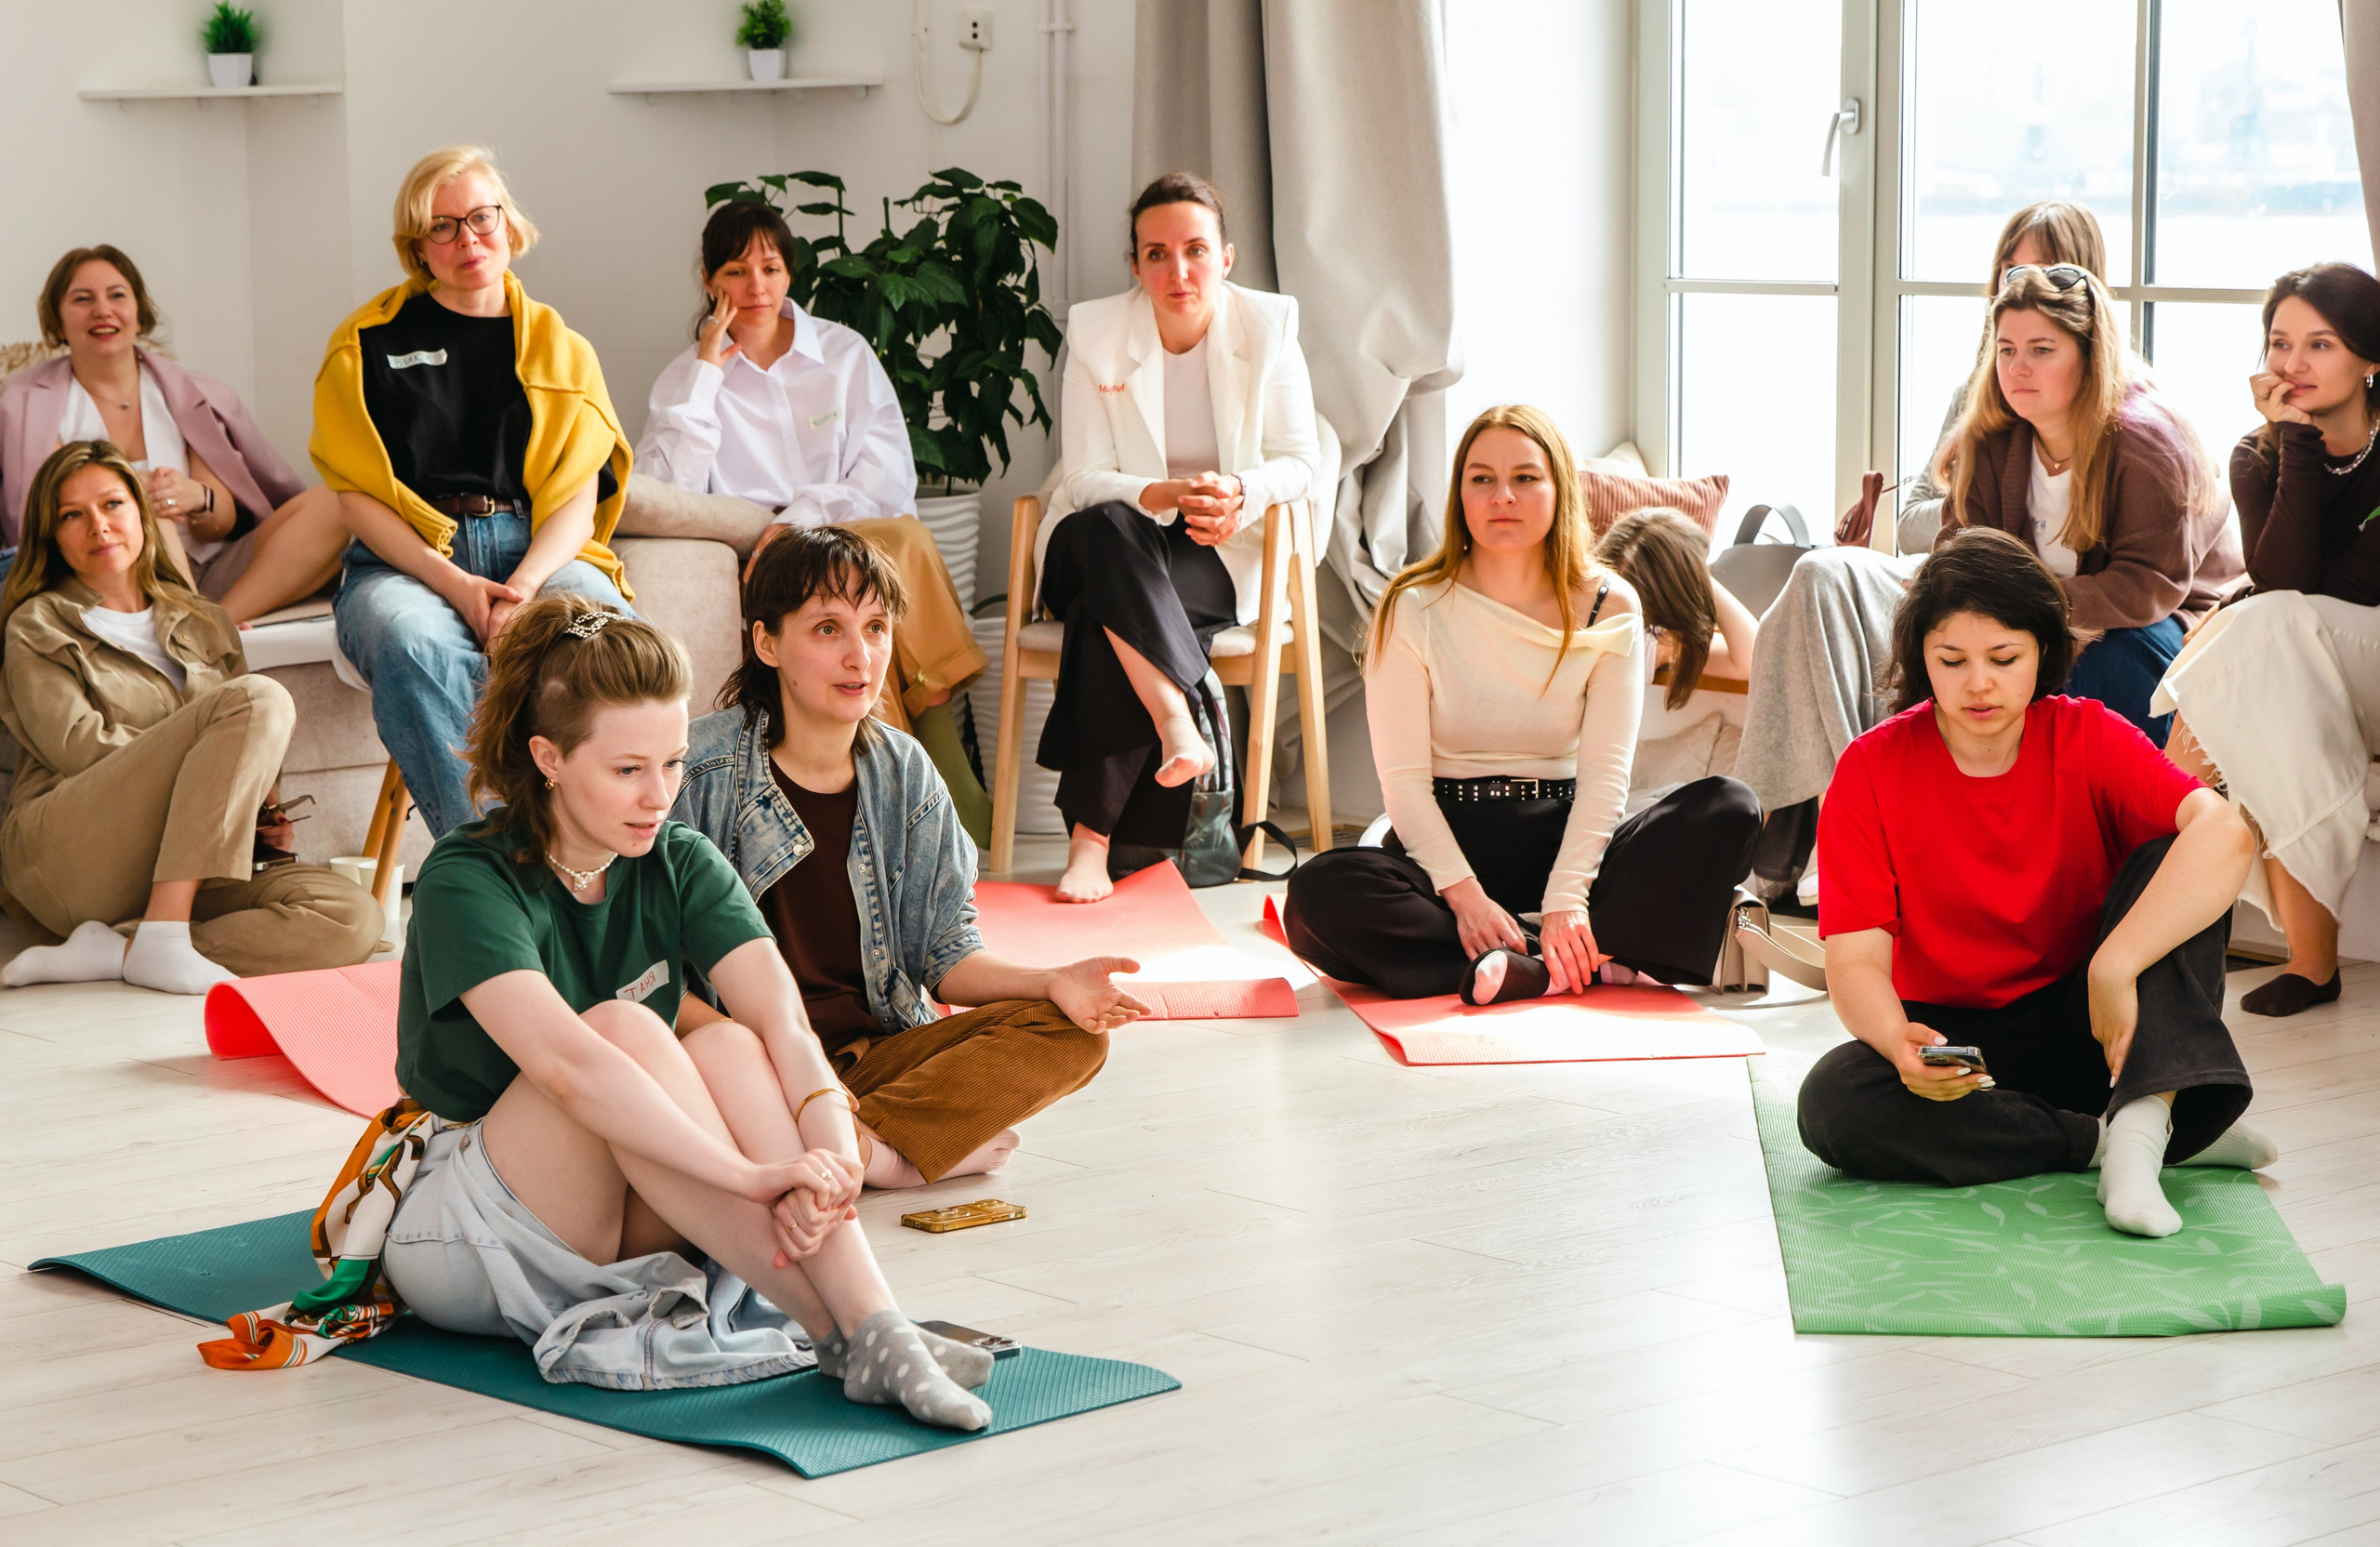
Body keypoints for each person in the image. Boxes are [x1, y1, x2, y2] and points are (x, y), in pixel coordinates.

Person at [376, 591, 993, 1428]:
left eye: (671, 763)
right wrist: (754, 1176)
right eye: (627, 770)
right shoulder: (467, 877)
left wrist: (826, 1150)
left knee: (735, 1045)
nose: (659, 794)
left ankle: (874, 1325)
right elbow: (570, 1066)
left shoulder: (680, 858)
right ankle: (834, 1330)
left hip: (638, 1206)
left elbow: (783, 1026)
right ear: (549, 758)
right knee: (627, 1028)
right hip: (473, 1231)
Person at [1797, 527, 2274, 1239]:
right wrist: (1898, 1042)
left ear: (2042, 653)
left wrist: (2114, 966)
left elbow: (2226, 832)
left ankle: (2144, 1125)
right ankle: (2120, 1142)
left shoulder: (2086, 735)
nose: (1978, 683)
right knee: (1833, 1102)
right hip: (1959, 1046)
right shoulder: (1870, 771)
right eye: (1951, 660)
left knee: (2178, 854)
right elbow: (1857, 960)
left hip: (2090, 1020)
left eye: (2004, 658)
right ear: (1921, 660)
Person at [674, 526, 1139, 1187]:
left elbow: (946, 960)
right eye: (828, 629)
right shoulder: (699, 770)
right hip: (752, 1065)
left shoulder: (905, 771)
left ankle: (848, 1144)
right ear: (767, 642)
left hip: (876, 1061)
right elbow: (649, 971)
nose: (860, 655)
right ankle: (890, 1154)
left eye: (876, 627)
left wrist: (1052, 981)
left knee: (1073, 1035)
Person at [1279, 405, 1762, 1004]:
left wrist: (1567, 897)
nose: (1502, 495)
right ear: (1460, 495)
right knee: (1315, 894)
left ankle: (1515, 962)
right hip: (1445, 854)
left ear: (1560, 489)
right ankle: (1569, 960)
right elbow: (1404, 786)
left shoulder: (1612, 605)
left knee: (1731, 806)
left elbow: (1605, 776)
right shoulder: (1411, 605)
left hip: (1565, 842)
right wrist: (1466, 899)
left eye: (1526, 478)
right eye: (1481, 478)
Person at [1736, 203, 2116, 895]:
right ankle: (1788, 834)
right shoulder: (1981, 390)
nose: (2018, 294)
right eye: (2009, 275)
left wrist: (1987, 518)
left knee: (1844, 593)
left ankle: (1812, 848)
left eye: (2037, 273)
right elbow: (1910, 520)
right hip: (1942, 568)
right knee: (1820, 574)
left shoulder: (2113, 408)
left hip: (2017, 593)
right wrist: (1972, 504)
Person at [639, 199, 990, 835]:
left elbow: (887, 477)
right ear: (709, 281)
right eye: (737, 272)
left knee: (897, 541)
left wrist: (801, 517)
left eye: (770, 268)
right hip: (766, 552)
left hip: (854, 530)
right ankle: (939, 790)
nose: (756, 288)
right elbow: (672, 492)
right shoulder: (686, 379)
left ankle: (926, 775)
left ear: (789, 274)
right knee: (868, 565)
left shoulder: (843, 354)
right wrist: (704, 378)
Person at [316, 145, 633, 840]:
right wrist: (456, 586)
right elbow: (357, 500)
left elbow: (578, 498)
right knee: (410, 641)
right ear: (417, 247)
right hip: (409, 567)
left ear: (510, 227)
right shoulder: (365, 344)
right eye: (443, 226)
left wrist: (522, 588)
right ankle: (502, 862)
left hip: (539, 556)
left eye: (482, 218)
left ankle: (608, 845)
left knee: (602, 632)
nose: (468, 239)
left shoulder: (563, 348)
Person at [0, 441, 379, 993]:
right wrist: (206, 778)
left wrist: (260, 812)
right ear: (52, 536)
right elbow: (77, 747)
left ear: (142, 513)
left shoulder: (202, 621)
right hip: (70, 855)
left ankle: (128, 947)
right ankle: (161, 938)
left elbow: (244, 756)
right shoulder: (37, 625)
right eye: (72, 516)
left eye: (112, 505)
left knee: (353, 918)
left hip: (182, 861)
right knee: (259, 698)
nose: (98, 527)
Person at [1036, 172, 1322, 903]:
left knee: (1110, 626)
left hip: (1212, 548)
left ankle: (1090, 846)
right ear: (1135, 264)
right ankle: (1175, 717)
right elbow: (1084, 479)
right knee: (1109, 529)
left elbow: (1300, 460)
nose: (1178, 271)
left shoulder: (1269, 329)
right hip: (1095, 540)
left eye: (1196, 250)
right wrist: (1157, 494)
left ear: (1226, 257)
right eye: (1156, 254)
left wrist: (1240, 495)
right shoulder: (1099, 332)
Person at [2160, 262, 2380, 1017]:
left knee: (2260, 629)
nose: (2292, 364)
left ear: (2370, 356)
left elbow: (2354, 585)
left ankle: (2147, 921)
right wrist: (2296, 441)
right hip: (2302, 658)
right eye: (2280, 344)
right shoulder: (2260, 455)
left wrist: (2257, 607)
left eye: (2320, 345)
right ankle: (2309, 963)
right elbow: (2286, 575)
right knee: (2261, 689)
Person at [1929, 263, 2241, 745]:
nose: (2017, 368)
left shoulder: (2148, 445)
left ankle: (2149, 811)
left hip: (2170, 622)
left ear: (2090, 356)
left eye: (2041, 350)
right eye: (2006, 350)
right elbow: (1958, 555)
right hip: (2040, 623)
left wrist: (2023, 612)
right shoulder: (1989, 440)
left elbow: (2146, 587)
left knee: (2105, 659)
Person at [0, 245, 350, 622]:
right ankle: (188, 626)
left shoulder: (191, 393)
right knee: (145, 507)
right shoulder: (21, 402)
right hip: (107, 573)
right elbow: (45, 511)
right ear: (57, 320)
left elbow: (224, 519)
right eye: (82, 300)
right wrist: (137, 493)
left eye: (117, 296)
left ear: (139, 312)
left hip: (212, 570)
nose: (102, 310)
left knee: (338, 500)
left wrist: (198, 497)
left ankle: (216, 623)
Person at [1592, 506, 1758, 737]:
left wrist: (1699, 575)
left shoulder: (1652, 640)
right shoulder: (1651, 641)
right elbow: (1752, 657)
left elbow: (1753, 659)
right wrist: (1700, 577)